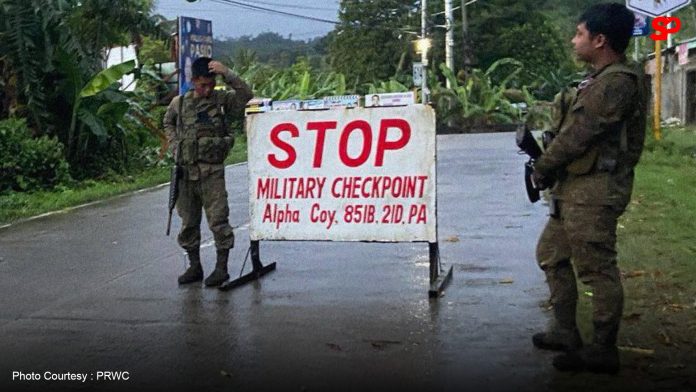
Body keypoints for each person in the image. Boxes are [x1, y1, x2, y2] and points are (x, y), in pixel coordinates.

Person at [531, 3, 646, 374]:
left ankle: (602, 347)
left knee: (597, 268)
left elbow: (579, 136)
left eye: (579, 34)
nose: (573, 39)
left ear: (600, 40)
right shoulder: (598, 79)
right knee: (551, 254)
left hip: (596, 189)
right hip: (575, 186)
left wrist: (543, 165)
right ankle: (565, 330)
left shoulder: (617, 84)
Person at [163, 57, 253, 287]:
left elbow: (247, 98)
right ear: (193, 81)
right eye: (202, 85)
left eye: (211, 85)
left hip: (211, 172)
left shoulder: (221, 100)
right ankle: (195, 266)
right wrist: (174, 145)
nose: (207, 90)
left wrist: (227, 73)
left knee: (218, 221)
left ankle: (221, 268)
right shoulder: (179, 103)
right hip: (186, 172)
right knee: (189, 223)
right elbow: (168, 122)